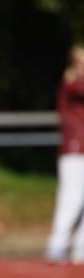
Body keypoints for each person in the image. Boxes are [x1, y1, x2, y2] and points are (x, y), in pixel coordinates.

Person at [47, 43, 84, 264]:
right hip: (73, 150)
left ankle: (80, 248)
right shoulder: (71, 84)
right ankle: (57, 245)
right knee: (71, 198)